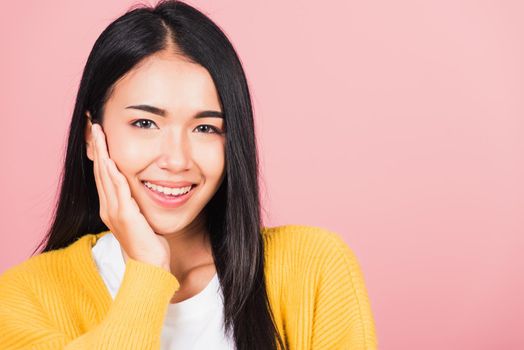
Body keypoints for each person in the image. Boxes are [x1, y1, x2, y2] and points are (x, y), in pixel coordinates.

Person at [0, 0, 377, 349]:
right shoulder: (23, 299)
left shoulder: (313, 268)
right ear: (91, 134)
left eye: (205, 128)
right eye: (145, 122)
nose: (177, 160)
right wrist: (147, 271)